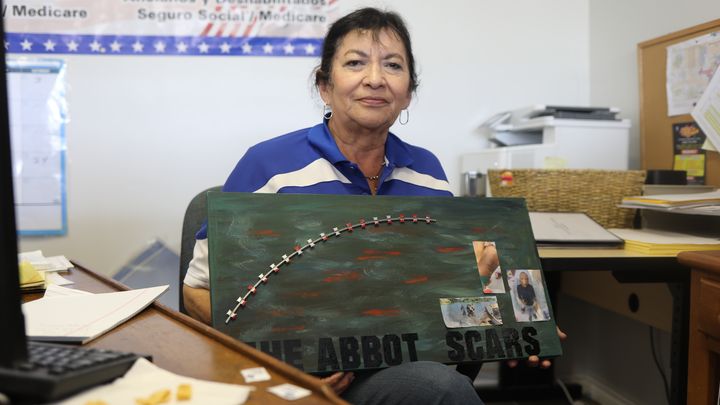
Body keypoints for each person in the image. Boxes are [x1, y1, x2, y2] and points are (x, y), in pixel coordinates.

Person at [183, 7, 561, 404]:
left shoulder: (427, 172)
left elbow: (447, 295)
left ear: (408, 91)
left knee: (443, 388)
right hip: (291, 376)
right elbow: (197, 292)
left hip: (395, 369)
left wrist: (518, 326)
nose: (376, 79)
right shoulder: (267, 165)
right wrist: (284, 373)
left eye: (393, 65)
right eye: (355, 63)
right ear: (325, 85)